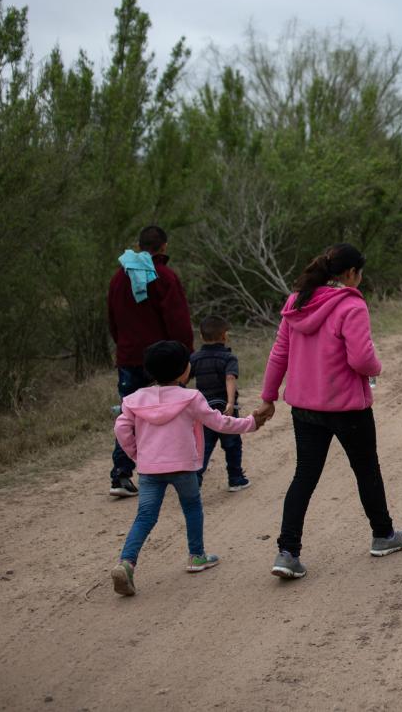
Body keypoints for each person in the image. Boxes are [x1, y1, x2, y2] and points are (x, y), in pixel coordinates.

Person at [257, 243, 402, 581]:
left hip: (304, 408)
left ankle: (287, 552)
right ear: (350, 274)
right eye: (360, 273)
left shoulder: (296, 301)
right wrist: (377, 367)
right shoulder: (351, 304)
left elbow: (279, 353)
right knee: (366, 470)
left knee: (305, 476)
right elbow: (360, 358)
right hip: (346, 408)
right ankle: (383, 535)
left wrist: (269, 397)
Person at [110, 341, 264, 596]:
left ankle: (126, 563)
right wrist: (251, 423)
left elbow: (121, 429)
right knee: (192, 507)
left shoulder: (134, 400)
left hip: (150, 469)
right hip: (184, 467)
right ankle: (196, 556)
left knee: (145, 516)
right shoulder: (191, 398)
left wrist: (137, 454)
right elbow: (219, 423)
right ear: (184, 371)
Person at [106, 225, 193, 498]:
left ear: (140, 244)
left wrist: (123, 347)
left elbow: (113, 319)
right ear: (164, 247)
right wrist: (184, 356)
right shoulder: (164, 277)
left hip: (129, 356)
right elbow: (178, 321)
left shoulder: (118, 278)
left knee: (129, 414)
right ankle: (172, 468)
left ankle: (121, 474)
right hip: (162, 360)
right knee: (169, 412)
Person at [191, 315, 250, 491]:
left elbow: (184, 377)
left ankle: (195, 481)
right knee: (232, 443)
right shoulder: (228, 358)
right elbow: (230, 378)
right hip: (225, 408)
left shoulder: (195, 358)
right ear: (225, 336)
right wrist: (230, 403)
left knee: (204, 445)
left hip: (204, 409)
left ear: (201, 336)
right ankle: (236, 478)